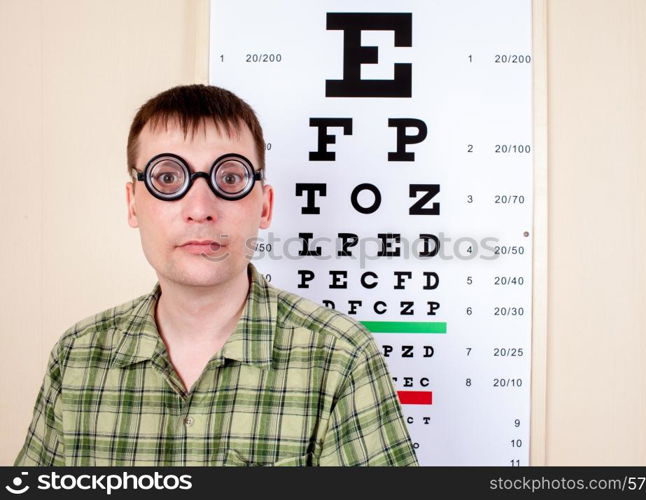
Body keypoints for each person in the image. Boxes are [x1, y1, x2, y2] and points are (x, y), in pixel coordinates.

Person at [14, 84, 418, 466]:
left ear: (264, 205)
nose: (200, 208)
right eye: (168, 178)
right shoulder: (76, 358)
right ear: (133, 204)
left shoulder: (340, 357)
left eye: (229, 178)